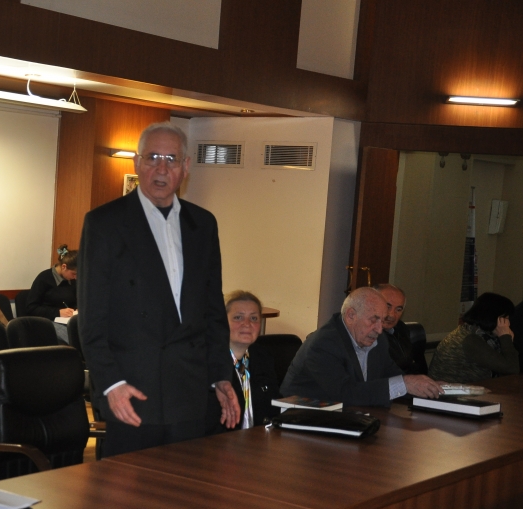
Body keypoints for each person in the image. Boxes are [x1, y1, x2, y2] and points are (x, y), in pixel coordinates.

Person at [79, 122, 239, 458]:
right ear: (137, 163)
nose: (161, 169)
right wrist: (111, 384)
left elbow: (212, 312)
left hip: (190, 392)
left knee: (185, 487)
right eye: (152, 157)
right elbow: (92, 319)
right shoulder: (105, 223)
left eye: (171, 159)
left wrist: (221, 377)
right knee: (130, 488)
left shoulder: (203, 224)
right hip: (130, 392)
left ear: (186, 167)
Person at [281, 287, 443, 406]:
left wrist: (428, 387)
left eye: (382, 320)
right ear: (351, 315)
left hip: (348, 417)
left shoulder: (378, 340)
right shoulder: (324, 343)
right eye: (373, 320)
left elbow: (394, 378)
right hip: (299, 420)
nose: (379, 329)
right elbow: (345, 393)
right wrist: (405, 384)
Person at [206, 291, 280, 434]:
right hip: (217, 442)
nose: (247, 324)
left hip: (258, 440)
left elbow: (272, 408)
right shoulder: (207, 361)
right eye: (238, 317)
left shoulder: (263, 357)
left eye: (254, 318)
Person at [428, 292, 519, 383]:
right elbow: (512, 369)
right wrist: (505, 337)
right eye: (505, 318)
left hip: (463, 388)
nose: (508, 324)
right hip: (452, 390)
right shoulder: (471, 340)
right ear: (493, 317)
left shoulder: (470, 331)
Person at [26, 244, 77, 343]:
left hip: (68, 320)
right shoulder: (44, 278)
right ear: (64, 267)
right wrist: (58, 312)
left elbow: (75, 301)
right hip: (47, 321)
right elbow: (31, 308)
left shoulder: (72, 280)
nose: (76, 277)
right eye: (74, 274)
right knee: (72, 339)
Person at [373, 283, 428, 375]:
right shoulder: (365, 336)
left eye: (398, 309)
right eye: (387, 306)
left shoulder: (401, 328)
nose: (392, 315)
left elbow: (411, 366)